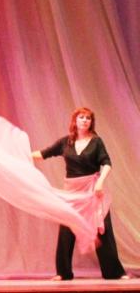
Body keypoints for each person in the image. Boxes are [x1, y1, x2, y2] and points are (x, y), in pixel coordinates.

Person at [31, 108, 129, 281]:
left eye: (88, 118)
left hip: (92, 190)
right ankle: (63, 273)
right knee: (67, 230)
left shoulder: (96, 142)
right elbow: (44, 154)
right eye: (81, 117)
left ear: (91, 122)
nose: (84, 120)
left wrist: (100, 182)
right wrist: (21, 154)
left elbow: (107, 163)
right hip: (72, 193)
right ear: (75, 121)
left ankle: (114, 273)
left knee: (102, 229)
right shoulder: (65, 142)